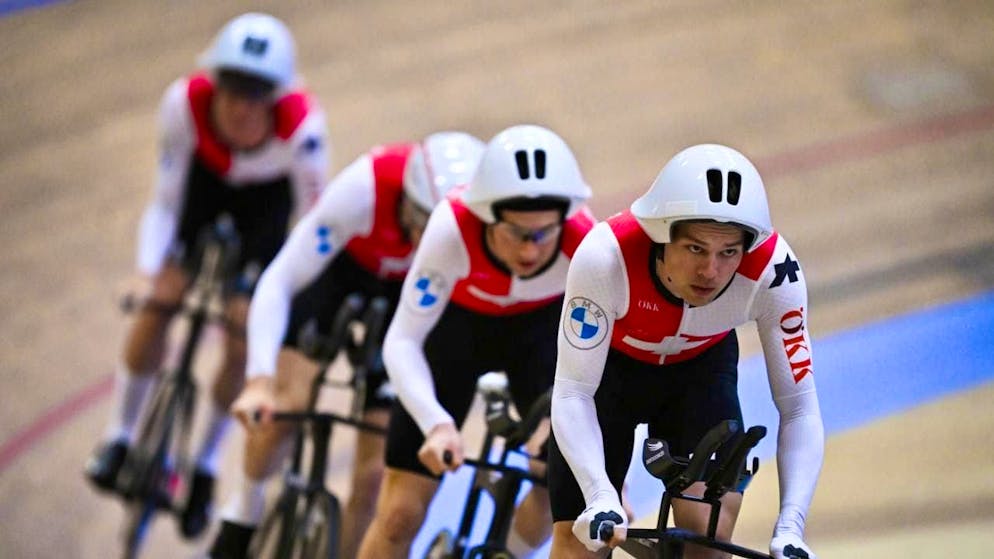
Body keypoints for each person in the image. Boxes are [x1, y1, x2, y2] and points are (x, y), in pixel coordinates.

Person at [83, 12, 330, 540]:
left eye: (255, 95)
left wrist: (282, 298)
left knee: (243, 335)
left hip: (265, 214)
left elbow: (311, 224)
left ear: (276, 97)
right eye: (232, 91)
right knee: (162, 299)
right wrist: (148, 273)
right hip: (204, 194)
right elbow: (166, 203)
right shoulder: (183, 103)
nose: (241, 107)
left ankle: (206, 466)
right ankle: (120, 437)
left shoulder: (304, 130)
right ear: (214, 84)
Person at [206, 131, 486, 559]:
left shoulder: (487, 230)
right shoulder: (364, 189)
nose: (433, 243)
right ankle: (242, 516)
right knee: (285, 405)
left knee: (375, 477)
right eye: (424, 226)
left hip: (408, 302)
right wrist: (261, 378)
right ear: (406, 205)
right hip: (338, 274)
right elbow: (279, 281)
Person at [547, 144, 824, 559]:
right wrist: (601, 494)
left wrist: (791, 526)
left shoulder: (774, 272)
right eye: (696, 249)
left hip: (699, 371)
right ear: (661, 235)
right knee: (582, 540)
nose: (711, 271)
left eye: (728, 252)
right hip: (609, 374)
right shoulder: (606, 256)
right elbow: (571, 393)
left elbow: (800, 408)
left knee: (706, 538)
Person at [356, 124, 596, 559]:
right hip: (456, 335)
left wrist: (600, 477)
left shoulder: (587, 242)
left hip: (537, 338)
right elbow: (402, 340)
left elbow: (608, 361)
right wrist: (436, 424)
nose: (530, 250)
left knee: (558, 494)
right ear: (486, 216)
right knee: (399, 514)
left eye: (544, 233)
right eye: (517, 233)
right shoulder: (452, 225)